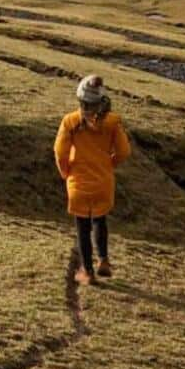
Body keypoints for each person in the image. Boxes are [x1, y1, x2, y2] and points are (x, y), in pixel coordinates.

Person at [55, 74, 131, 285]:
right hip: (103, 181)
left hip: (77, 181)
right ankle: (104, 260)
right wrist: (109, 164)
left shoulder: (70, 122)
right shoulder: (112, 122)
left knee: (82, 226)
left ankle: (87, 271)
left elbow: (60, 152)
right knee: (100, 220)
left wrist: (66, 172)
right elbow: (124, 151)